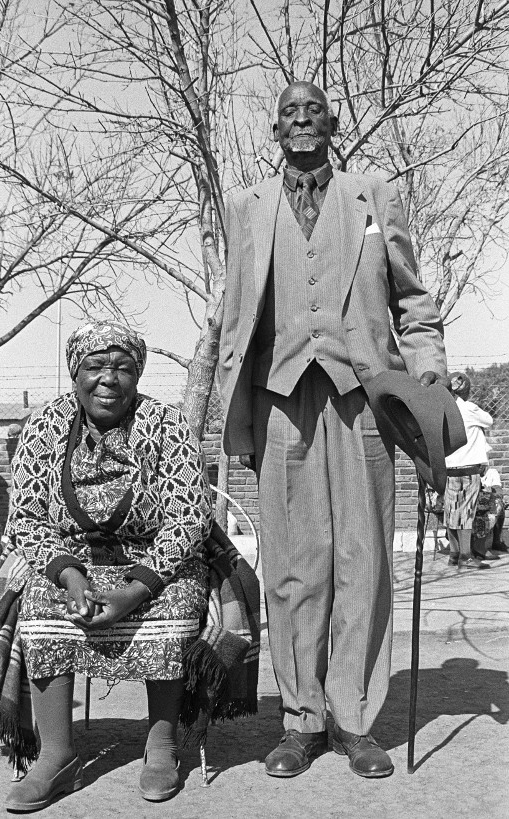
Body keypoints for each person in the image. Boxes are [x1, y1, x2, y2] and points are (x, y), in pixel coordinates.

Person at [219, 80, 447, 780]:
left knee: (365, 560)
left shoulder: (374, 193)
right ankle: (300, 720)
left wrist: (430, 371)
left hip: (363, 400)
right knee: (293, 567)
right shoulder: (246, 205)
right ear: (275, 128)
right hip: (281, 400)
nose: (300, 120)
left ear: (333, 121)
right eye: (288, 112)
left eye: (312, 110)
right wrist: (236, 420)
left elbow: (413, 299)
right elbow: (234, 314)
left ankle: (353, 718)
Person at [3, 320, 213, 811]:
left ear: (137, 375)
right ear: (76, 372)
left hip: (152, 561)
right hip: (68, 563)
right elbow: (28, 519)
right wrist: (71, 576)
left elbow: (188, 515)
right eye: (95, 366)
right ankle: (56, 755)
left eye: (121, 367)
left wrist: (133, 591)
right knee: (38, 603)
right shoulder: (43, 427)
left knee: (180, 599)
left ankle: (160, 748)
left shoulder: (168, 424)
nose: (108, 379)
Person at [444, 372, 493, 569]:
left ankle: (454, 554)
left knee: (452, 511)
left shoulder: (443, 410)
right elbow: (488, 420)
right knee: (466, 513)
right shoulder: (469, 408)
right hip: (468, 468)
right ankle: (466, 556)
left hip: (449, 469)